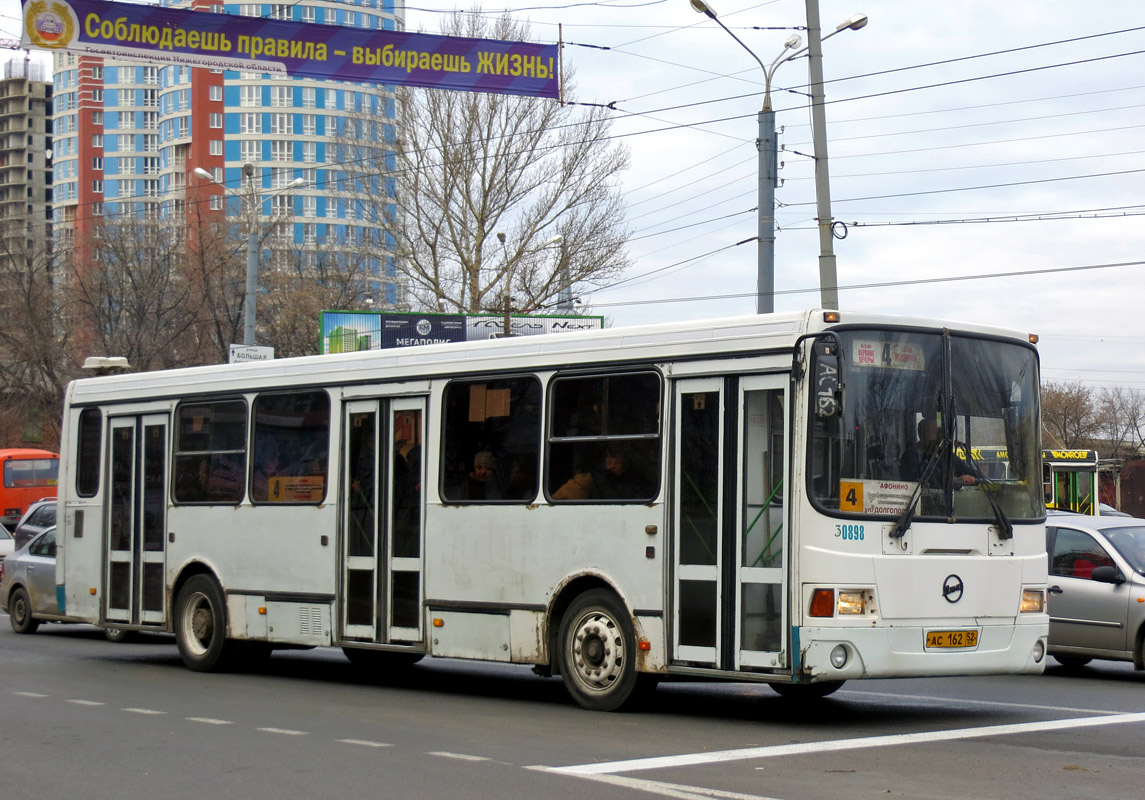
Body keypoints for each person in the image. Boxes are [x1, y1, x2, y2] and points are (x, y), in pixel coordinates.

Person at [900, 417, 977, 488]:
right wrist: (956, 480)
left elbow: (973, 473)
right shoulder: (910, 456)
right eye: (934, 432)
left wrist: (975, 479)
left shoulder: (945, 455)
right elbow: (930, 478)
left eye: (940, 432)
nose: (939, 437)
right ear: (922, 434)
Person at [552, 446, 647, 500]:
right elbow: (560, 498)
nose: (612, 466)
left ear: (625, 465)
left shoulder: (636, 482)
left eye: (617, 462)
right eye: (609, 462)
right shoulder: (589, 479)